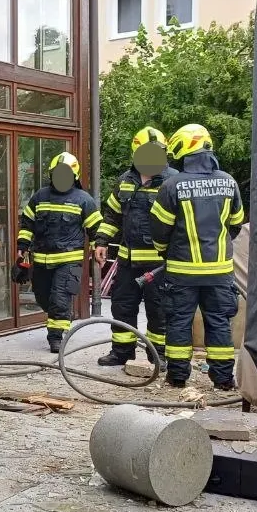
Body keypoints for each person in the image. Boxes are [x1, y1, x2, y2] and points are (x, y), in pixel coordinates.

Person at [149, 124, 245, 390]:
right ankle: (224, 380)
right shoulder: (228, 182)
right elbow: (236, 223)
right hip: (219, 271)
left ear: (183, 148)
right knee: (219, 323)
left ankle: (177, 377)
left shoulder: (172, 186)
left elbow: (159, 229)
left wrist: (165, 251)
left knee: (179, 322)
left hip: (181, 271)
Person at [95, 126, 177, 366]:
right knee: (122, 306)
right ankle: (122, 352)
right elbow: (112, 216)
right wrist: (101, 242)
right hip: (128, 260)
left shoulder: (173, 181)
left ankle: (158, 355)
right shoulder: (125, 181)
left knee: (159, 310)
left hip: (158, 262)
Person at [17, 152, 102, 353]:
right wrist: (22, 248)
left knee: (59, 298)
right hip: (42, 260)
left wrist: (98, 249)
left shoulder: (83, 200)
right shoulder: (40, 196)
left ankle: (55, 338)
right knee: (43, 298)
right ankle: (62, 315)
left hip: (68, 261)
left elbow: (96, 229)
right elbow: (27, 224)